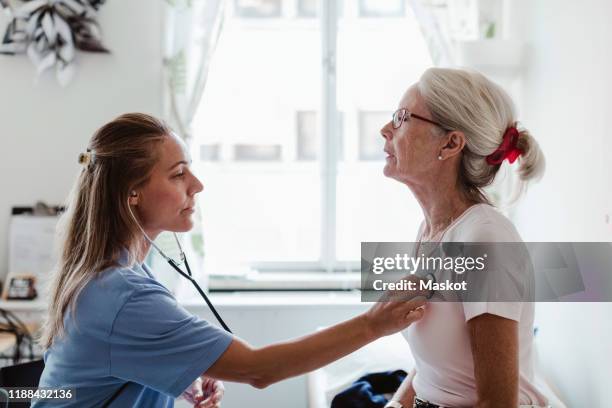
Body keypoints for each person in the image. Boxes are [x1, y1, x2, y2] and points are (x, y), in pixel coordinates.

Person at [32, 113, 426, 408]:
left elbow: (98, 368)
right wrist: (376, 324)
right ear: (131, 193)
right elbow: (260, 370)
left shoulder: (112, 272)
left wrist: (176, 373)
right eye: (178, 174)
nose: (197, 185)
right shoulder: (124, 295)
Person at [379, 68, 550, 408]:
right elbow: (440, 367)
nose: (385, 130)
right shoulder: (432, 231)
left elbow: (497, 404)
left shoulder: (486, 240)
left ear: (451, 143)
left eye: (401, 118)